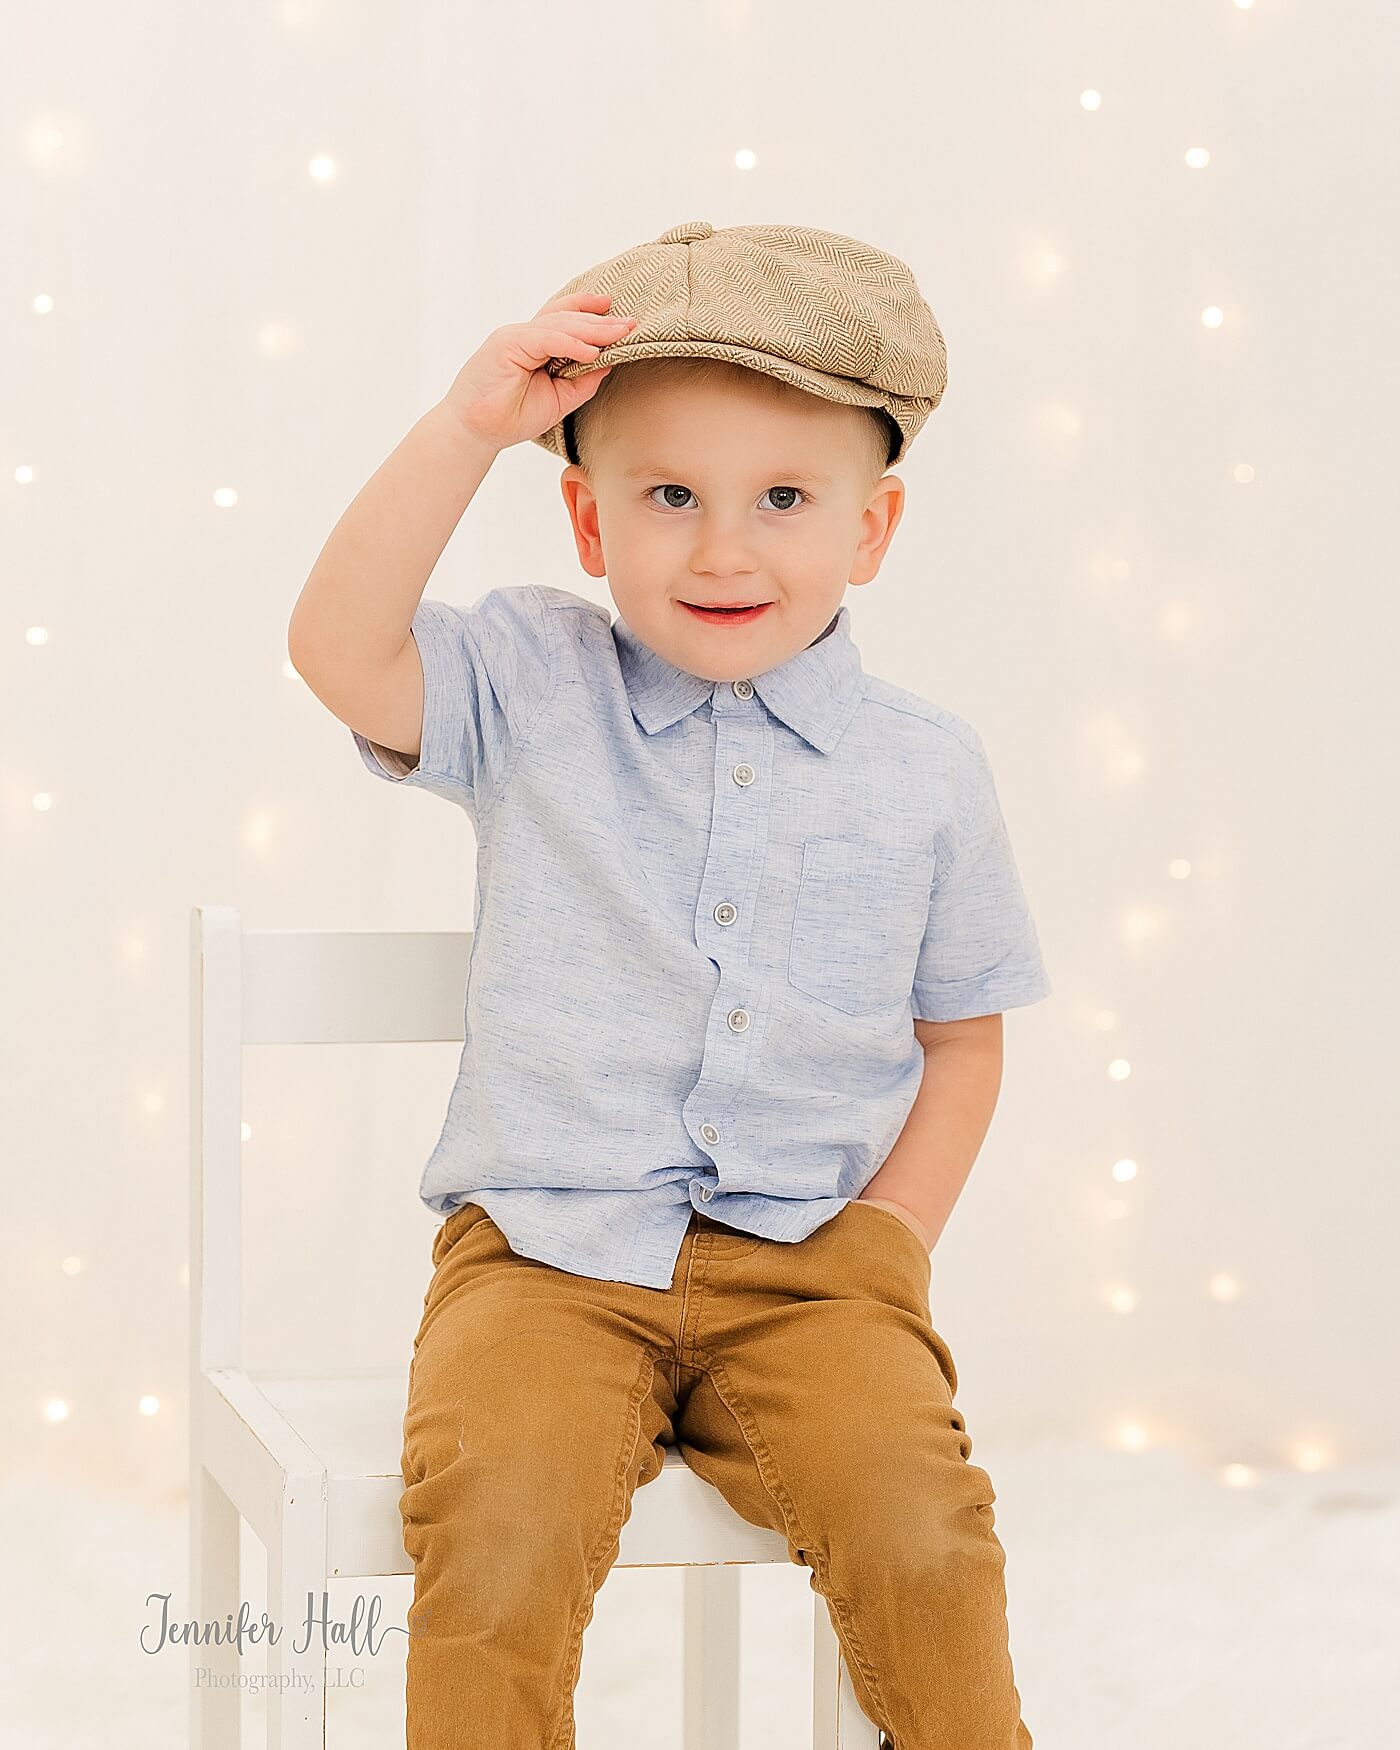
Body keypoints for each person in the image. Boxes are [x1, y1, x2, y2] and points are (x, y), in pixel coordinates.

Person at [288, 220, 1051, 1750]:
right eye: (669, 497)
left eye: (783, 499)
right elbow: (338, 646)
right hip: (547, 1259)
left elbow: (960, 1036)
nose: (722, 547)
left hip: (816, 1268)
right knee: (496, 1532)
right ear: (585, 517)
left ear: (873, 526)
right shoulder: (530, 683)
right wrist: (463, 432)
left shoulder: (927, 771)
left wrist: (887, 1244)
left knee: (926, 1533)